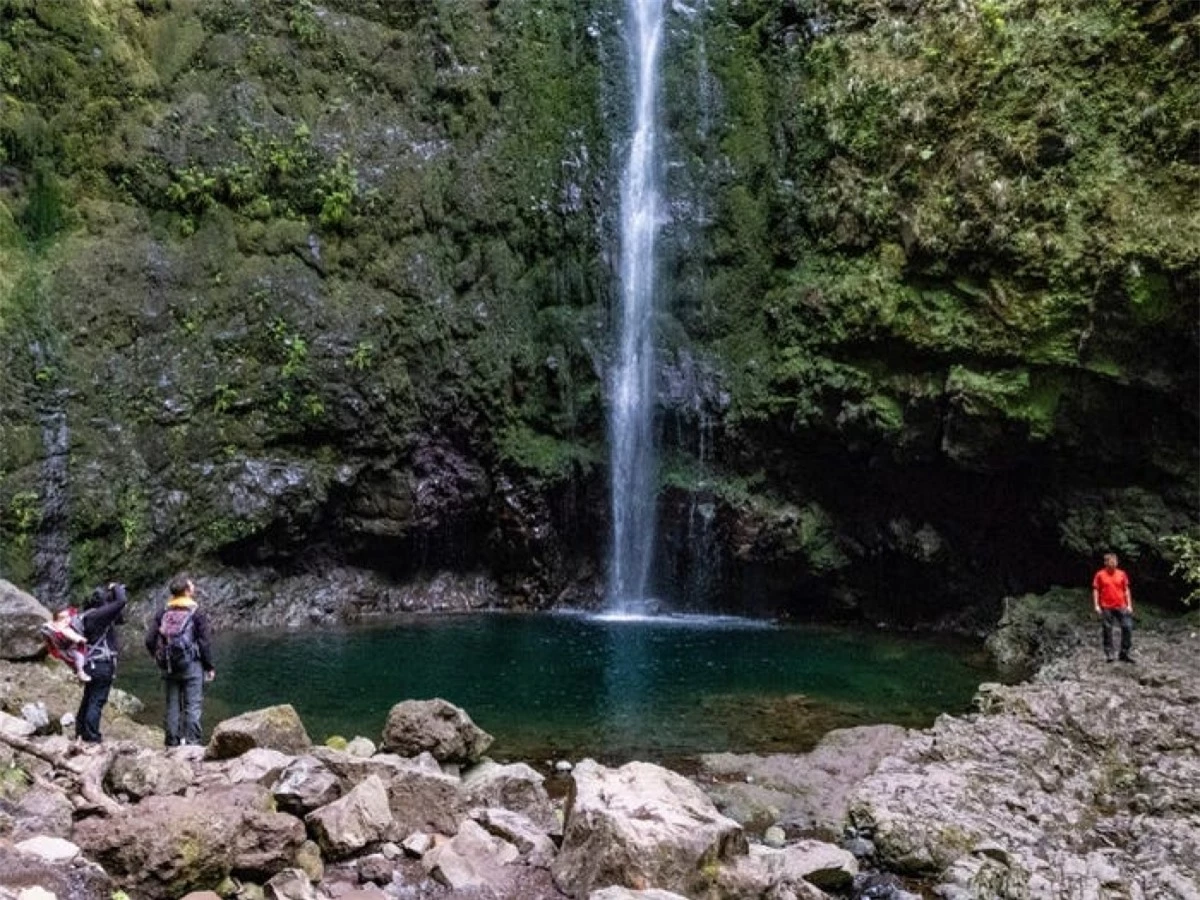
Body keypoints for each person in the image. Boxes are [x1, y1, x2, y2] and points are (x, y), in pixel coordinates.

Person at [144, 575, 216, 747]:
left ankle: (172, 743)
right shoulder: (196, 613)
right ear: (187, 591)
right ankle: (192, 744)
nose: (194, 587)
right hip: (192, 665)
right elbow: (204, 643)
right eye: (192, 585)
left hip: (169, 665)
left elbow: (149, 639)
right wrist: (209, 666)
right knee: (193, 707)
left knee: (172, 706)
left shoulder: (164, 611)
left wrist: (157, 656)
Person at [74, 582, 129, 745]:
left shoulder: (88, 616)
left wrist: (112, 596)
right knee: (97, 700)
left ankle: (81, 731)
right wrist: (116, 588)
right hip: (102, 664)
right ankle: (92, 735)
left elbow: (119, 617)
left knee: (89, 697)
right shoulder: (98, 616)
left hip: (91, 664)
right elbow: (121, 602)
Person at [1092, 552, 1134, 663]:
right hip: (1106, 606)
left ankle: (1124, 653)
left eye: (1115, 561)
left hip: (1122, 605)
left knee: (1127, 627)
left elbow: (1126, 589)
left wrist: (1129, 605)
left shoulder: (1122, 574)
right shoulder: (1100, 575)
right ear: (1106, 562)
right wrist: (1096, 605)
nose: (1114, 564)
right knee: (1107, 630)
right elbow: (1096, 589)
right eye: (1111, 562)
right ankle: (1109, 654)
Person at [42, 608, 92, 682]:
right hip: (67, 648)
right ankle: (80, 672)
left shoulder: (54, 625)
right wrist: (82, 639)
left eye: (67, 617)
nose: (67, 619)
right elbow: (73, 636)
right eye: (63, 618)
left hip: (62, 647)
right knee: (79, 657)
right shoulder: (63, 628)